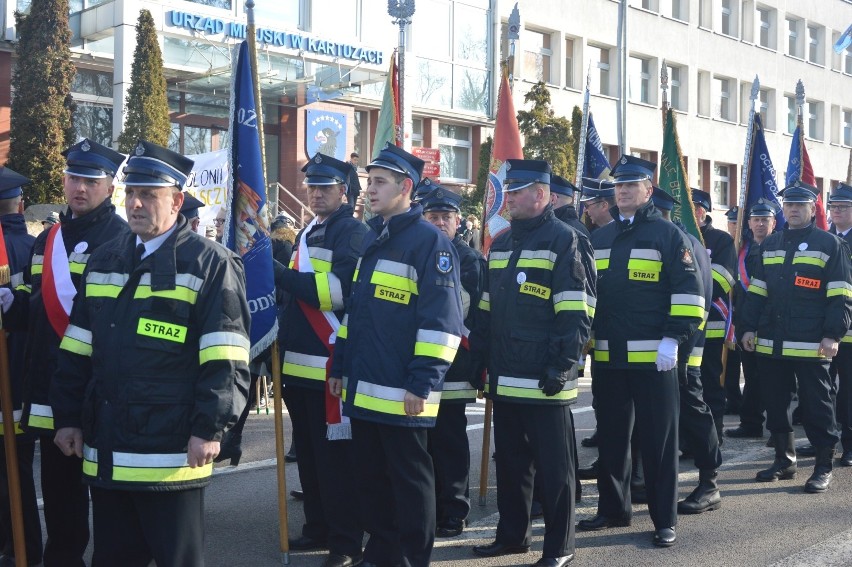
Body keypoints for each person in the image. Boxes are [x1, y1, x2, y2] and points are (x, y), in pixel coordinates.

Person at [50, 140, 251, 565]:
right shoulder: (106, 259)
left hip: (171, 455)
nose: (136, 204)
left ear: (177, 201)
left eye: (149, 195)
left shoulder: (210, 264)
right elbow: (76, 347)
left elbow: (226, 357)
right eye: (131, 193)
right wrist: (67, 416)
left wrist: (210, 428)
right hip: (107, 451)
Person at [328, 143, 463, 567]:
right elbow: (356, 313)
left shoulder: (431, 244)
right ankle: (383, 550)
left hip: (404, 389)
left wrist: (422, 382)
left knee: (410, 481)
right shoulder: (374, 238)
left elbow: (442, 324)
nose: (370, 189)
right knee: (371, 478)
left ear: (406, 187)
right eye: (369, 181)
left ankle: (411, 557)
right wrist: (342, 364)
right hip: (364, 386)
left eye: (380, 182)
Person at [7, 138, 129, 567]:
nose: (80, 188)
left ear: (110, 186)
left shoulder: (121, 239)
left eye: (91, 180)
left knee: (112, 496)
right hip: (48, 385)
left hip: (98, 386)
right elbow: (31, 302)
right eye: (74, 177)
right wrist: (10, 303)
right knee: (59, 492)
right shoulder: (49, 239)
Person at [578, 156, 704, 548]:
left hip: (655, 359)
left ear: (648, 190)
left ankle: (664, 519)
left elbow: (690, 295)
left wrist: (673, 339)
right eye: (618, 186)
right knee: (613, 439)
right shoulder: (599, 238)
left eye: (631, 185)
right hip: (610, 359)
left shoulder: (667, 236)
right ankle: (613, 508)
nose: (623, 191)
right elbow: (587, 296)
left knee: (659, 443)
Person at [472, 159, 591, 567]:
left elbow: (575, 311)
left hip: (545, 380)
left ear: (540, 195)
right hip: (505, 378)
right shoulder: (501, 243)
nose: (507, 201)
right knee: (510, 465)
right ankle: (512, 537)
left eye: (517, 193)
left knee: (555, 473)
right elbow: (486, 310)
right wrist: (479, 361)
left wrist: (562, 364)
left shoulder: (565, 240)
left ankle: (560, 547)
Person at [275, 153, 367, 567]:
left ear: (342, 191)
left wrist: (279, 274)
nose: (315, 193)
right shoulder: (309, 230)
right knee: (310, 460)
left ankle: (345, 543)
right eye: (311, 186)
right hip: (297, 365)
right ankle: (318, 528)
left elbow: (338, 294)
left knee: (337, 465)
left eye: (324, 187)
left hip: (329, 365)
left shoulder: (351, 231)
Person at [739, 181, 851, 493]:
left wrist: (832, 334)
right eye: (788, 205)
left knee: (817, 407)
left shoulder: (829, 244)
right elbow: (757, 291)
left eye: (799, 205)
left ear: (812, 208)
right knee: (775, 404)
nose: (793, 210)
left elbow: (840, 295)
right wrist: (747, 327)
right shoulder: (771, 243)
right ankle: (783, 460)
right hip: (772, 341)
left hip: (812, 343)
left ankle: (823, 466)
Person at [417, 181, 485, 539]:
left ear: (459, 222)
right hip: (418, 365)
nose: (440, 222)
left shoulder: (470, 259)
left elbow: (466, 313)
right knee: (422, 445)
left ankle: (454, 510)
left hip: (455, 365)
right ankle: (428, 507)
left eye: (446, 217)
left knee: (450, 443)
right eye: (433, 216)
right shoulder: (416, 252)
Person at [652, 188, 723, 515]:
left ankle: (709, 482)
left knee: (694, 410)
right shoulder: (677, 240)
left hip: (683, 350)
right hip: (666, 349)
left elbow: (695, 299)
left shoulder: (684, 244)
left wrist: (677, 341)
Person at [0, 168, 42, 566]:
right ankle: (24, 549)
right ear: (21, 205)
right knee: (17, 474)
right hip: (20, 379)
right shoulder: (33, 248)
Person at [725, 201, 777, 440]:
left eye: (765, 220)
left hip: (771, 323)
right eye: (755, 219)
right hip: (745, 320)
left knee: (773, 378)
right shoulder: (740, 249)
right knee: (752, 374)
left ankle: (778, 431)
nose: (760, 224)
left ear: (773, 223)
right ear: (749, 223)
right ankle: (751, 423)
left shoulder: (778, 247)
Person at [692, 189, 737, 440]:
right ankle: (687, 436)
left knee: (710, 381)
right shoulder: (676, 236)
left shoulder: (721, 240)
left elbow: (722, 279)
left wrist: (689, 288)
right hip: (681, 326)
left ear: (700, 211)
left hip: (711, 325)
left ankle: (713, 433)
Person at [827, 182, 852, 467]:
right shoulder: (824, 239)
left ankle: (850, 444)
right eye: (834, 207)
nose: (837, 212)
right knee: (822, 388)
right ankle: (825, 438)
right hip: (826, 328)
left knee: (848, 390)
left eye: (843, 207)